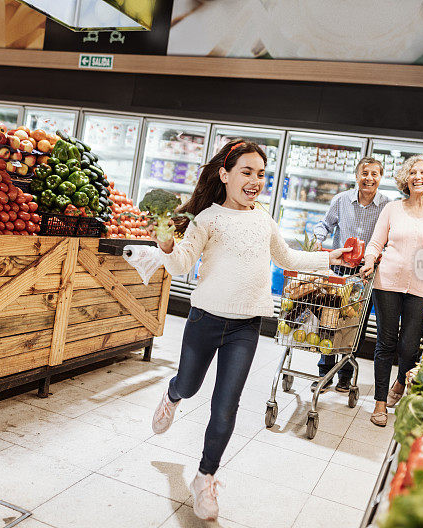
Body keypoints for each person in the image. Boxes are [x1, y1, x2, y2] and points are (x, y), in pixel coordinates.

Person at [148, 140, 350, 521]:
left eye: (261, 173)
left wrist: (329, 258)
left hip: (247, 325)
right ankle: (172, 395)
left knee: (226, 406)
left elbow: (287, 257)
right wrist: (166, 246)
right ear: (224, 175)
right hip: (205, 319)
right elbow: (180, 264)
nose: (256, 180)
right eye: (247, 172)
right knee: (190, 385)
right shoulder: (207, 218)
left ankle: (205, 477)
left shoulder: (263, 219)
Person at [359, 155, 423, 427]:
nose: (417, 177)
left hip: (422, 288)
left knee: (409, 348)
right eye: (412, 172)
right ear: (406, 179)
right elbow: (376, 243)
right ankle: (379, 402)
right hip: (387, 282)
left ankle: (400, 382)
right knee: (385, 344)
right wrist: (369, 260)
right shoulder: (392, 209)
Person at [311, 157, 390, 392]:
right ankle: (324, 374)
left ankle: (345, 374)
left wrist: (379, 255)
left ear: (380, 177)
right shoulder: (341, 200)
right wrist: (317, 239)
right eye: (364, 173)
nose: (369, 178)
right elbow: (324, 224)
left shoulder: (387, 205)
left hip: (365, 275)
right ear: (357, 177)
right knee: (329, 320)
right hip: (338, 271)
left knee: (355, 325)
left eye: (374, 174)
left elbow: (390, 237)